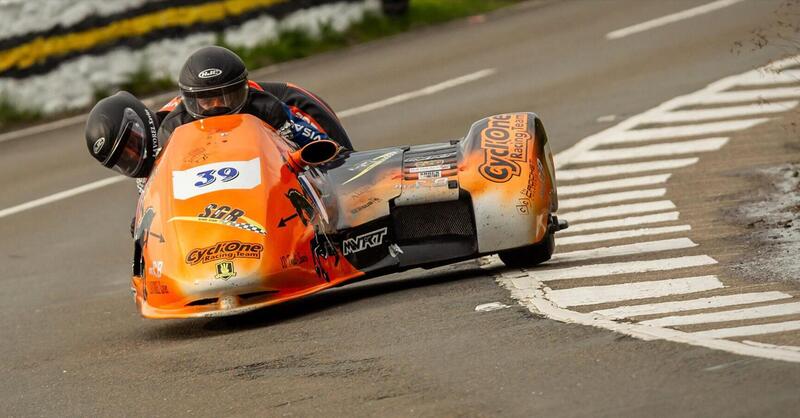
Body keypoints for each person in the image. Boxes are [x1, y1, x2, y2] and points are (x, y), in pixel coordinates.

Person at [156, 45, 353, 150]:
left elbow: (330, 150)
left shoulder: (269, 107)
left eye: (226, 97)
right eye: (207, 100)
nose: (217, 106)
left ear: (243, 89)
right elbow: (151, 177)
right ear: (189, 100)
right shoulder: (172, 126)